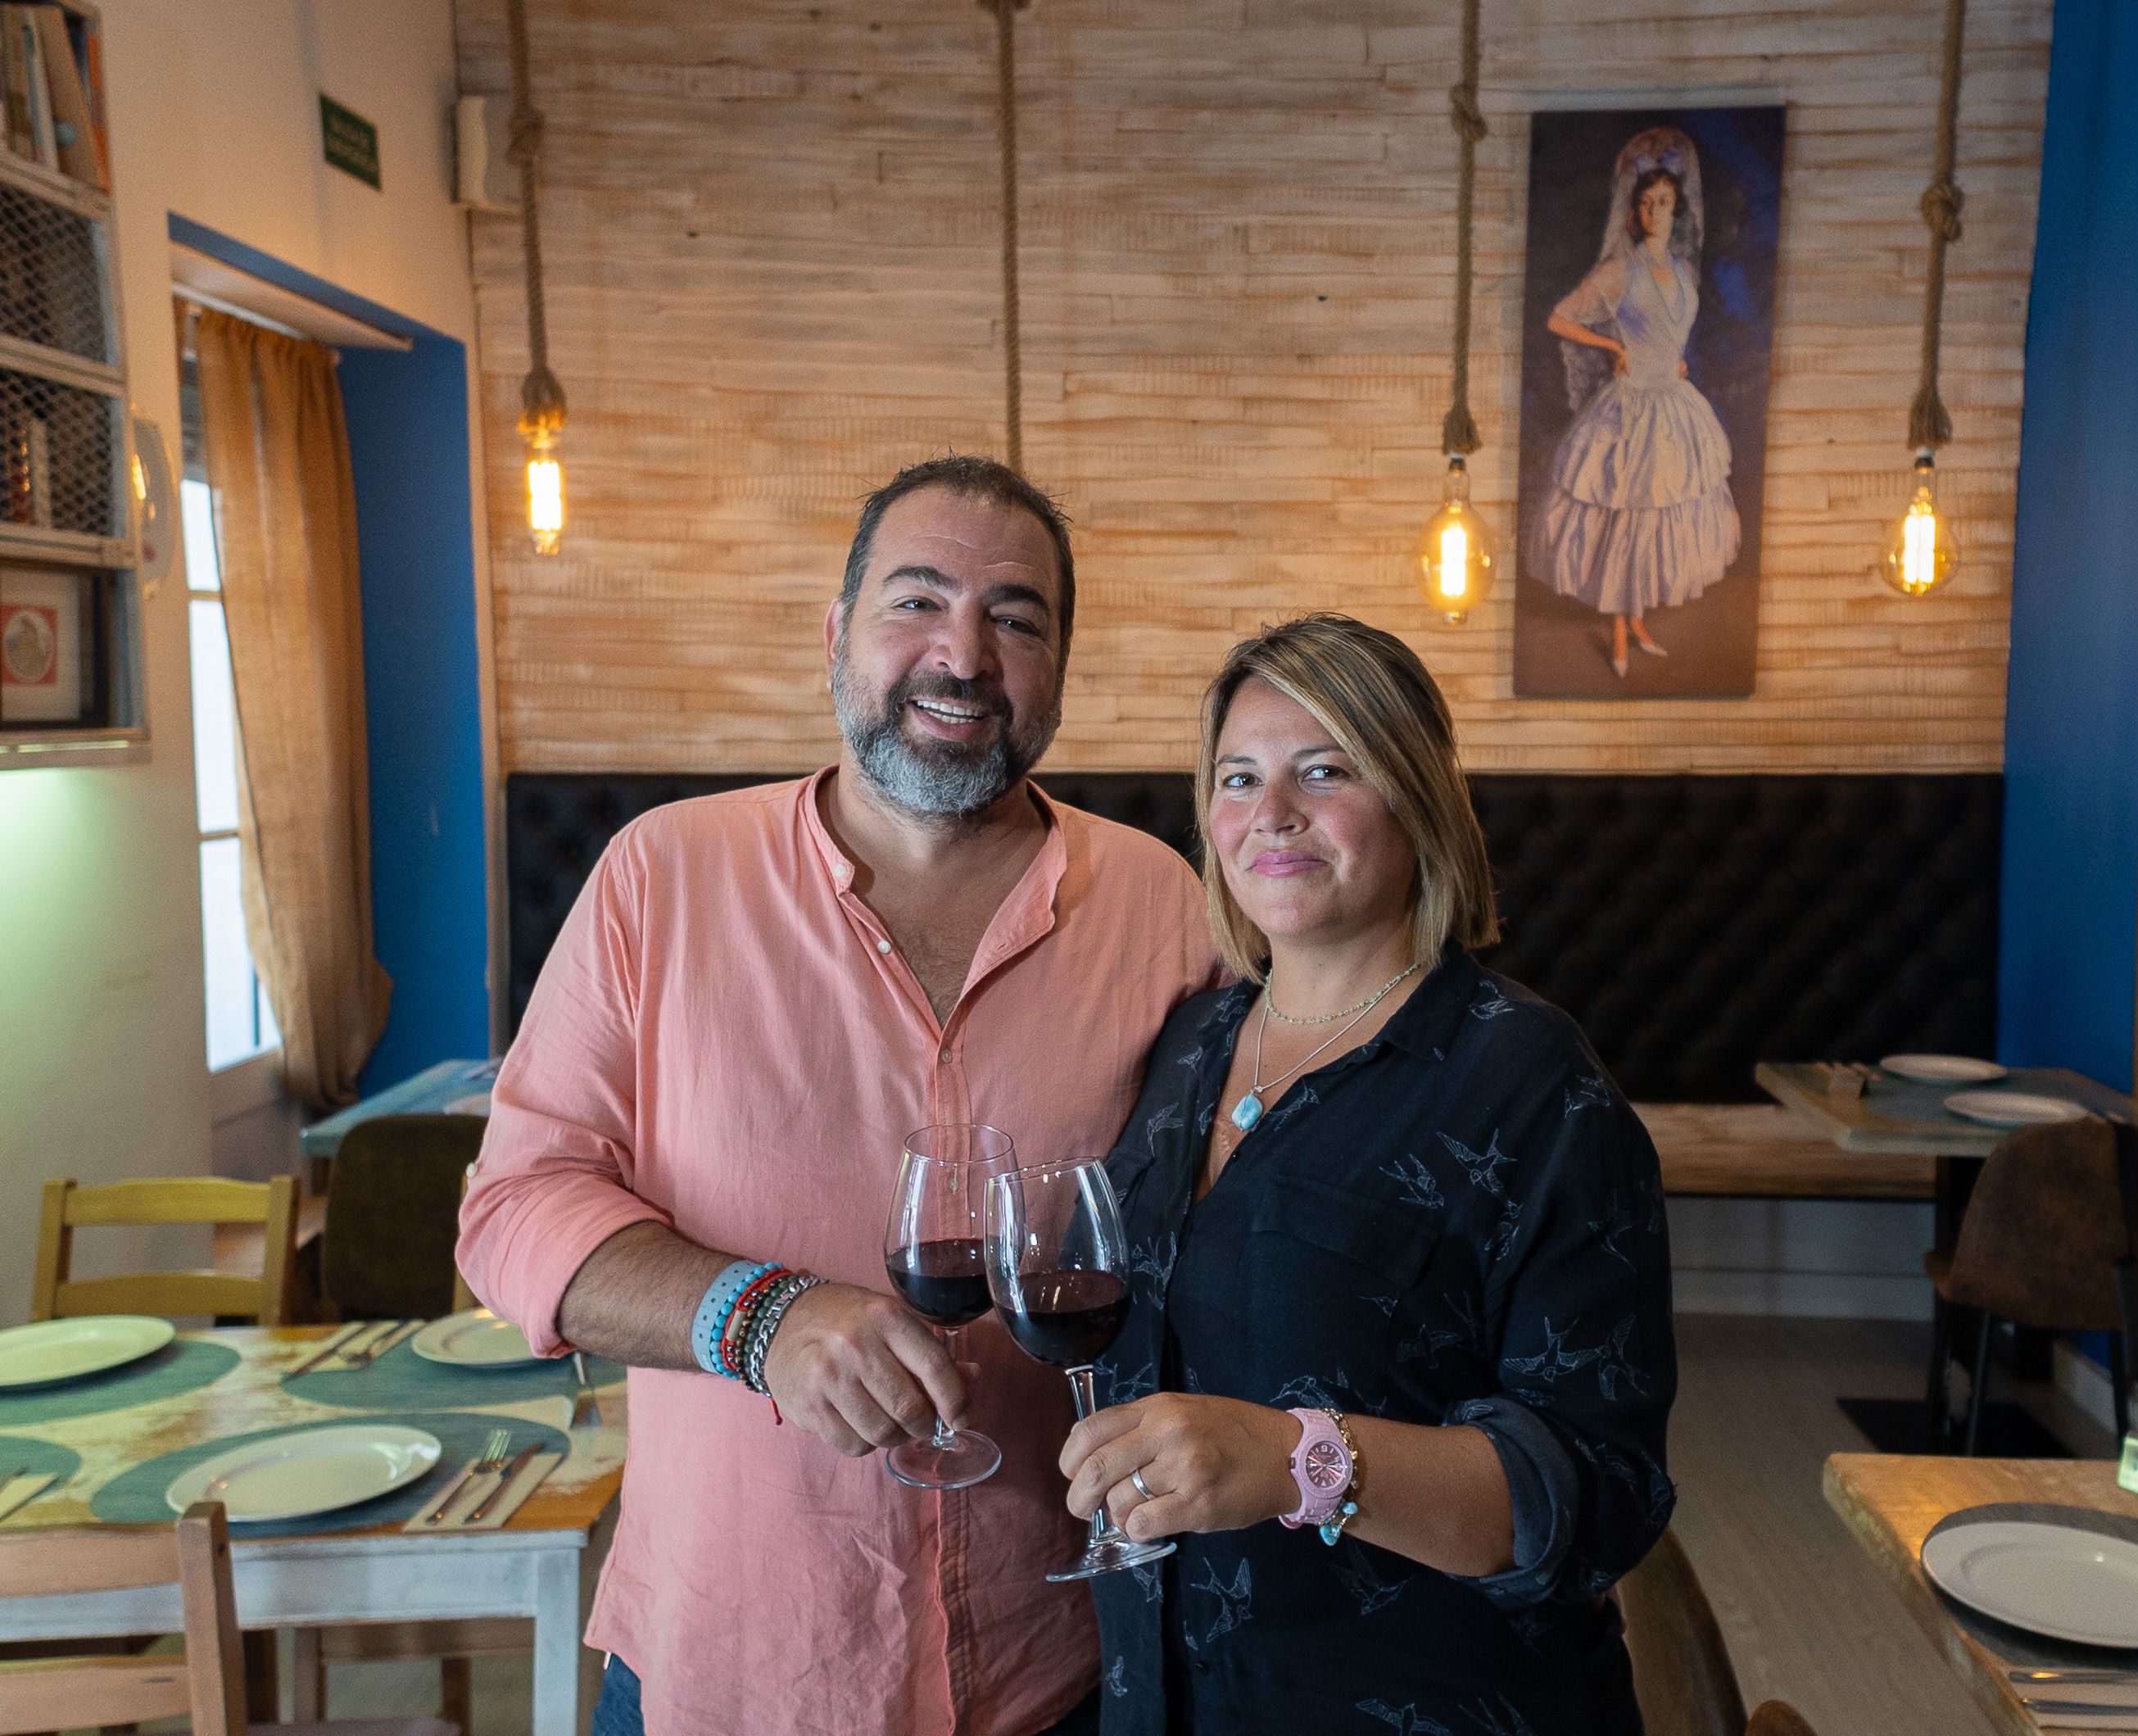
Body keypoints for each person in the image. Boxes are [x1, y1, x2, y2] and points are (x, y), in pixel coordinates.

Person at [456, 456, 1220, 1736]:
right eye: (914, 602)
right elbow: (512, 1213)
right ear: (836, 634)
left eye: (1015, 618)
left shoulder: (1166, 906)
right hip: (738, 1661)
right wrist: (759, 1318)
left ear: (1058, 666)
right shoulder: (661, 878)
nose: (962, 655)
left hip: (1067, 1658)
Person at [1058, 613, 1678, 1733]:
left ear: (1415, 796)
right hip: (1162, 1691)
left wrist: (1299, 1457)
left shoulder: (1530, 1080)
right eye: (1238, 775)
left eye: (1323, 768)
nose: (1271, 812)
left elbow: (1597, 1492)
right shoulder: (1187, 1041)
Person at [1537, 126, 1742, 678]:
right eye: (1647, 202)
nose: (1656, 210)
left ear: (1677, 208)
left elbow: (1673, 328)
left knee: (1662, 512)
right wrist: (1610, 345)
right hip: (1630, 408)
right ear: (1635, 211)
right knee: (1627, 515)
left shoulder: (1679, 272)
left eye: (1665, 202)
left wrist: (1672, 359)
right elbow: (1559, 317)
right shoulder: (1618, 272)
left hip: (1673, 401)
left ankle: (1639, 620)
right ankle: (1621, 634)